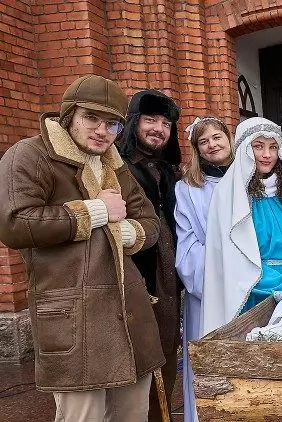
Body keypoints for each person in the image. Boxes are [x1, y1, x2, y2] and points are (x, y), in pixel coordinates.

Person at [0, 75, 164, 421]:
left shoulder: (114, 166)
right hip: (76, 316)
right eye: (92, 118)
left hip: (128, 314)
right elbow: (14, 224)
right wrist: (95, 211)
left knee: (132, 414)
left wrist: (128, 232)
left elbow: (151, 223)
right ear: (69, 115)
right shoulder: (30, 155)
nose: (102, 131)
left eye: (113, 124)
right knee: (83, 416)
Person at [200, 117, 282, 336]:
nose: (267, 155)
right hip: (253, 295)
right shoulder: (230, 195)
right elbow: (237, 262)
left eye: (273, 147)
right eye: (258, 146)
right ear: (245, 149)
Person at [116, 88, 182, 421]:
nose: (158, 128)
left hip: (168, 280)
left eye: (165, 123)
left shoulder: (169, 171)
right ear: (133, 122)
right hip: (134, 278)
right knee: (136, 364)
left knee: (166, 356)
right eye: (150, 120)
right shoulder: (116, 166)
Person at [174, 116, 234, 422]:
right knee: (208, 366)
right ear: (197, 149)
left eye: (217, 137)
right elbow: (186, 245)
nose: (212, 145)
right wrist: (222, 272)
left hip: (251, 288)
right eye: (203, 141)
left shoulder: (248, 178)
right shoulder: (187, 189)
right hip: (208, 289)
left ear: (229, 138)